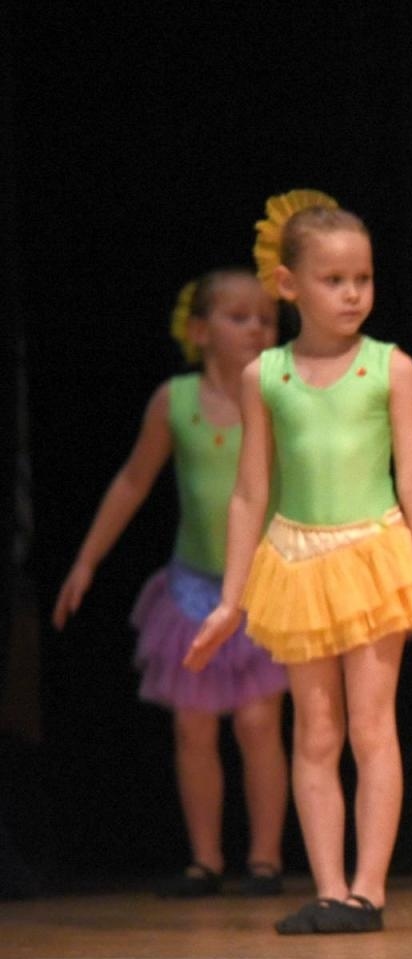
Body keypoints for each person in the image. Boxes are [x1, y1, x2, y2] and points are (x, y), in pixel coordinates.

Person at [186, 191, 412, 934]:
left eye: (362, 278)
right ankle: (329, 885)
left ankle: (369, 890)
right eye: (334, 279)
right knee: (314, 732)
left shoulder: (389, 368)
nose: (352, 293)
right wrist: (230, 598)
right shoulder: (264, 377)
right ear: (289, 286)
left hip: (373, 556)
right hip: (297, 561)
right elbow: (249, 493)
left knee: (372, 729)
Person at [55, 270, 288, 898]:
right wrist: (86, 560)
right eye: (239, 317)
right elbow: (133, 481)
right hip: (191, 590)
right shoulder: (175, 401)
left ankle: (265, 859)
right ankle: (205, 859)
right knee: (193, 726)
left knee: (259, 722)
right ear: (199, 331)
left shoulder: (277, 393)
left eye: (266, 318)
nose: (256, 327)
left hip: (262, 585)